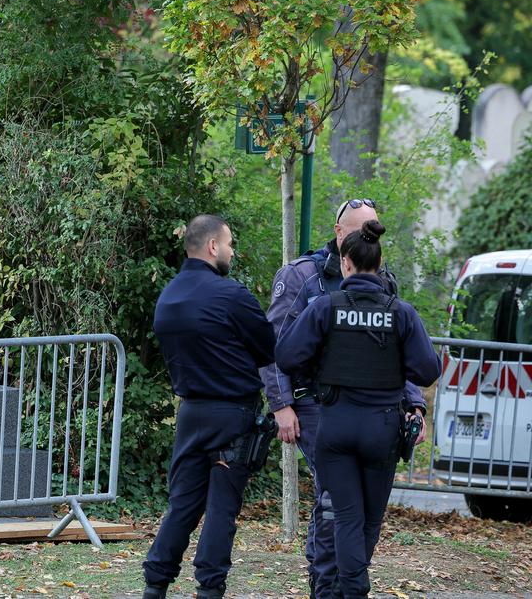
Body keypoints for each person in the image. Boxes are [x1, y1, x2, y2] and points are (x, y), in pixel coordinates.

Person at [259, 199, 428, 597]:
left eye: (374, 229)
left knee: (363, 513)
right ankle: (328, 587)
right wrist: (281, 404)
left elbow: (400, 353)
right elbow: (276, 346)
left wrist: (415, 404)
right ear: (339, 233)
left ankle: (344, 586)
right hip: (319, 406)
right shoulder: (304, 277)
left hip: (376, 412)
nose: (369, 236)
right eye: (361, 229)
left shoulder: (384, 281)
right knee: (335, 505)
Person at [142, 215, 276, 599]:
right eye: (230, 243)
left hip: (190, 413)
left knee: (182, 504)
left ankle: (155, 584)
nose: (232, 251)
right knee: (221, 509)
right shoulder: (230, 295)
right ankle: (209, 589)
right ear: (213, 247)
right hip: (233, 413)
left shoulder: (167, 297)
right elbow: (269, 348)